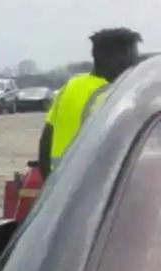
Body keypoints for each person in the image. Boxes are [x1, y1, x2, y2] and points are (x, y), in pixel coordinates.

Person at [38, 26, 143, 172]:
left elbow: (46, 140)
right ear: (117, 59)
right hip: (94, 186)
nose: (135, 64)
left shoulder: (71, 86)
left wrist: (49, 184)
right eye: (132, 58)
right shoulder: (115, 94)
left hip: (59, 183)